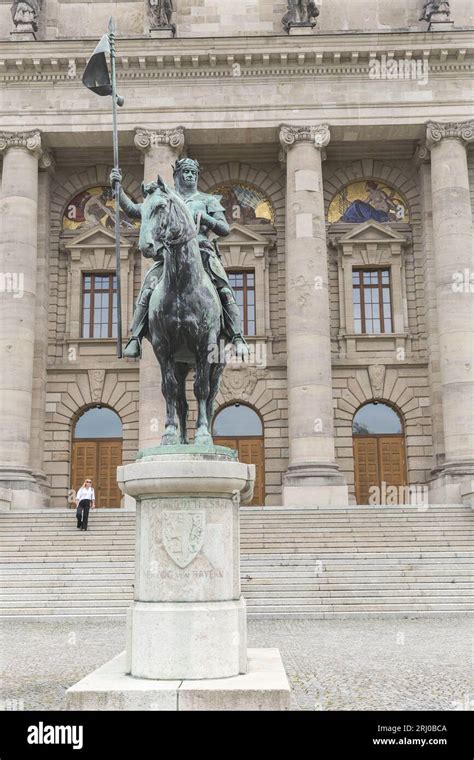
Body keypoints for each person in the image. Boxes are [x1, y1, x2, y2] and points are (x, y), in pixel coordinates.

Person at [110, 158, 249, 360]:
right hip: (168, 255)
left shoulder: (207, 200)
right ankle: (135, 337)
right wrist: (117, 188)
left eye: (194, 172)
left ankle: (237, 336)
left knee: (224, 289)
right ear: (177, 175)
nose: (191, 175)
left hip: (202, 252)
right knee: (148, 286)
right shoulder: (165, 200)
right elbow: (133, 210)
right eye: (186, 171)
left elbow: (224, 228)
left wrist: (205, 217)